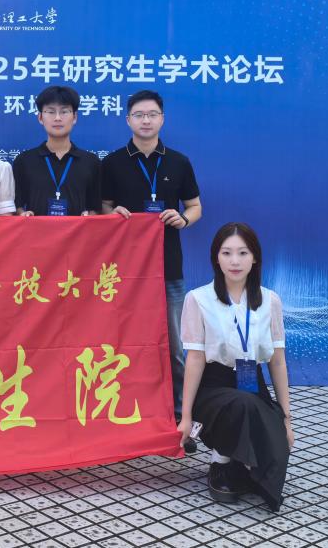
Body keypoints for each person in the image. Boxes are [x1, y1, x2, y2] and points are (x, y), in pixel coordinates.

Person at [100, 89, 201, 441]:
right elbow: (103, 207)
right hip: (123, 272)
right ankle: (126, 413)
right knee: (123, 343)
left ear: (162, 119)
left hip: (168, 268)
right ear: (128, 119)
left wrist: (183, 219)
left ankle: (180, 418)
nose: (146, 120)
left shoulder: (178, 162)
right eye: (139, 115)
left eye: (152, 114)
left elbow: (195, 207)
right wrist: (112, 214)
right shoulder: (112, 163)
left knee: (174, 347)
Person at [177, 223, 293, 512]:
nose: (235, 261)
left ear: (255, 258)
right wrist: (186, 415)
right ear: (216, 258)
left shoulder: (270, 300)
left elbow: (277, 360)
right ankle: (220, 462)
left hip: (252, 381)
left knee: (276, 451)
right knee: (242, 405)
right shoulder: (198, 299)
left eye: (243, 253)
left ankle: (240, 463)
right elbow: (195, 359)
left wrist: (286, 419)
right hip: (212, 386)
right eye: (226, 253)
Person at [12, 85, 101, 216]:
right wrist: (22, 214)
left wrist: (89, 217)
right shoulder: (24, 161)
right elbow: (16, 205)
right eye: (51, 112)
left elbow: (96, 207)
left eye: (64, 112)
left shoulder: (91, 162)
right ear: (40, 118)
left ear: (74, 117)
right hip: (36, 229)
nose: (58, 118)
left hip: (78, 230)